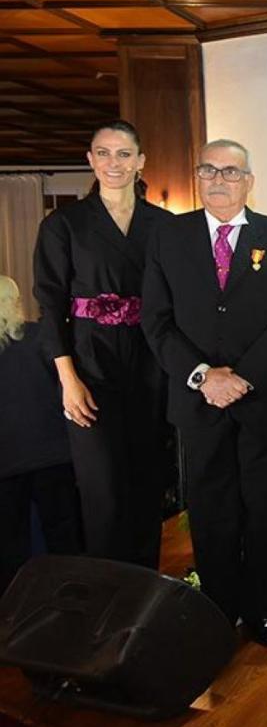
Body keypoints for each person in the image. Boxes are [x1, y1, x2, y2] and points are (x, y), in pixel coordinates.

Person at [141, 139, 267, 646]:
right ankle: (217, 610)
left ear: (248, 181)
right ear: (198, 176)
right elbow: (156, 319)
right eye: (209, 169)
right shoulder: (168, 235)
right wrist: (202, 376)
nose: (218, 179)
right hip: (197, 400)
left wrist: (243, 377)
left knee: (262, 505)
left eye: (231, 171)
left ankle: (260, 608)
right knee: (210, 507)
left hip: (259, 398)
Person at [32, 119, 172, 570]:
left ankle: (145, 596)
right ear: (90, 160)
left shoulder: (165, 225)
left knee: (148, 485)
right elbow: (50, 305)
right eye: (104, 153)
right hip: (89, 364)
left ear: (140, 162)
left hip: (152, 364)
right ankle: (108, 605)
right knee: (104, 492)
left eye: (124, 154)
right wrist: (67, 380)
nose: (114, 163)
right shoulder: (64, 224)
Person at [0, 276, 83, 596]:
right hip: (53, 453)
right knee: (63, 533)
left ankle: (15, 606)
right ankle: (75, 597)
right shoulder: (40, 338)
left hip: (6, 461)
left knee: (10, 542)